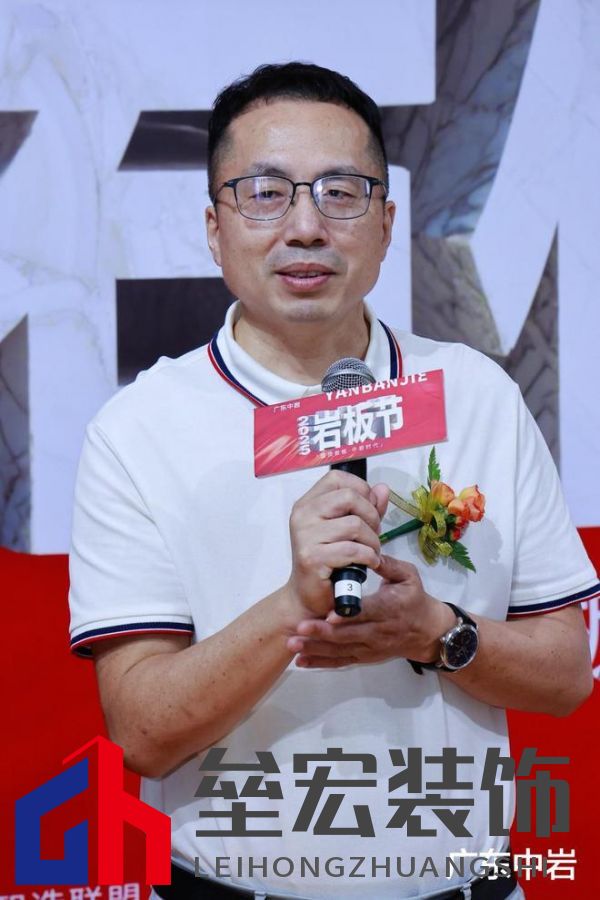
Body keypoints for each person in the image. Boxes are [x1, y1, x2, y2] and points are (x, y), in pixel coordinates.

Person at [68, 62, 596, 900]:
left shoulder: (476, 396)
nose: (307, 227)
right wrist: (291, 606)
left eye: (341, 193)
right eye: (265, 194)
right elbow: (140, 734)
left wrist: (434, 630)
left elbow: (567, 676)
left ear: (386, 224)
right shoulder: (138, 430)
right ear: (214, 228)